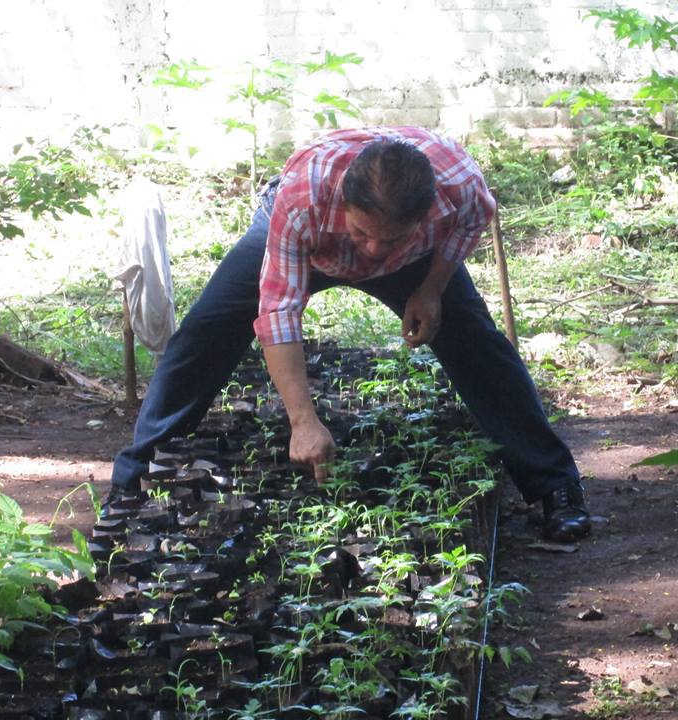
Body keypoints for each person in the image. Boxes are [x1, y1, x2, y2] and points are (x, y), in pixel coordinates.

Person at [109, 126, 590, 542]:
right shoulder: (304, 200)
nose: (375, 251)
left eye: (392, 238)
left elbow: (472, 220)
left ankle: (554, 486)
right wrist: (302, 420)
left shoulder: (458, 186)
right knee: (203, 336)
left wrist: (431, 288)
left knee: (479, 347)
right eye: (364, 234)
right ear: (345, 204)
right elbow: (279, 311)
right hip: (311, 242)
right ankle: (132, 481)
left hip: (416, 265)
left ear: (425, 215)